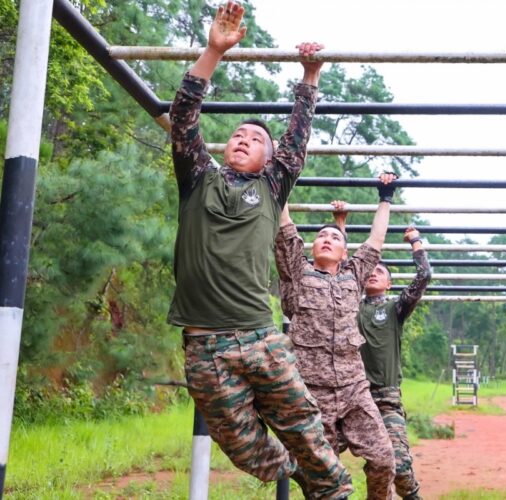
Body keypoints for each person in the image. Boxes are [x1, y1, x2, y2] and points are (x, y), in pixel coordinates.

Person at [168, 2, 352, 497]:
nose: (243, 139)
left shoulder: (272, 189)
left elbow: (296, 140)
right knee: (247, 450)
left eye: (255, 138)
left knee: (307, 431)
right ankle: (297, 474)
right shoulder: (198, 180)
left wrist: (309, 77)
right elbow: (183, 119)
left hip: (259, 337)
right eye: (237, 135)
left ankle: (332, 490)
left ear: (271, 160)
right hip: (205, 346)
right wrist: (213, 51)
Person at [275, 174, 398, 500]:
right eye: (320, 237)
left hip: (354, 391)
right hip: (312, 397)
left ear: (345, 252)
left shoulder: (353, 277)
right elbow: (285, 228)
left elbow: (375, 241)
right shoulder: (297, 275)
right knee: (320, 481)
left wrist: (385, 197)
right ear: (311, 248)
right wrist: (279, 179)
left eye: (334, 237)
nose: (327, 239)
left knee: (385, 459)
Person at [328, 201, 431, 499]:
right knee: (320, 455)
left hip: (385, 399)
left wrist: (415, 241)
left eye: (380, 271)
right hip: (348, 397)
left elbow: (423, 277)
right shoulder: (350, 305)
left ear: (389, 283)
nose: (372, 272)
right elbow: (340, 269)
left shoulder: (395, 308)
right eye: (369, 270)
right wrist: (340, 224)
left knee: (398, 466)